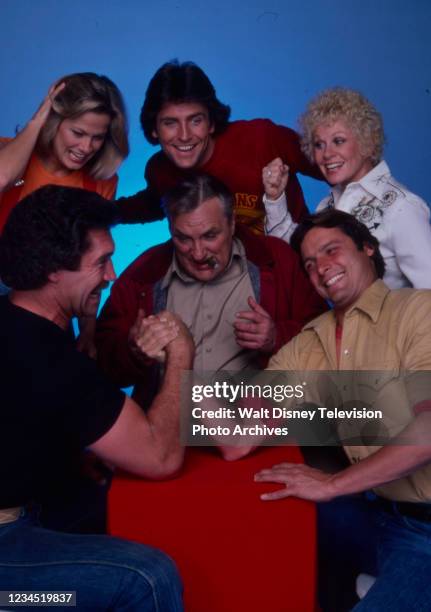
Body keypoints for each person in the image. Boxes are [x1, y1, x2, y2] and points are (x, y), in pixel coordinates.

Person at [0, 185, 193, 610]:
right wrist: (182, 353)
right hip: (6, 569)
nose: (111, 274)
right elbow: (161, 458)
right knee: (146, 577)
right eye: (101, 262)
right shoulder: (50, 357)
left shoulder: (18, 319)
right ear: (53, 269)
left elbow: (30, 415)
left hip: (27, 508)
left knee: (98, 502)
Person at [254, 209, 431, 611]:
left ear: (368, 248)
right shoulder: (308, 343)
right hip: (377, 515)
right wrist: (181, 353)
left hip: (424, 531)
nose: (321, 268)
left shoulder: (419, 310)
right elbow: (238, 432)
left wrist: (332, 483)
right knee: (268, 508)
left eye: (332, 250)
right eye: (310, 263)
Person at [96, 174, 327, 458]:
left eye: (209, 235)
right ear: (170, 229)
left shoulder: (276, 259)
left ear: (232, 224)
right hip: (169, 441)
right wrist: (134, 352)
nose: (197, 252)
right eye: (183, 238)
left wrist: (276, 336)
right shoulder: (144, 274)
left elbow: (323, 336)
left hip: (257, 439)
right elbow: (102, 364)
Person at [116, 60, 321, 234]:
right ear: (154, 129)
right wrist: (104, 212)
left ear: (212, 122)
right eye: (170, 123)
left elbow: (333, 163)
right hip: (224, 275)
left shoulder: (261, 138)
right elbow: (151, 205)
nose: (185, 136)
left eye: (195, 121)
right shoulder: (160, 171)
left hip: (294, 259)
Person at [0, 71, 129, 346]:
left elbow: (92, 261)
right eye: (78, 133)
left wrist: (89, 331)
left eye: (97, 137)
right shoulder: (9, 155)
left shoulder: (100, 184)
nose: (86, 147)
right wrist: (38, 118)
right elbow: (1, 179)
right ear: (55, 121)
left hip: (49, 313)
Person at [261, 87, 431, 289]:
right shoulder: (329, 205)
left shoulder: (402, 207)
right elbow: (294, 252)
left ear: (366, 141)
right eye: (318, 145)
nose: (327, 154)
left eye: (338, 141)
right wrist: (275, 198)